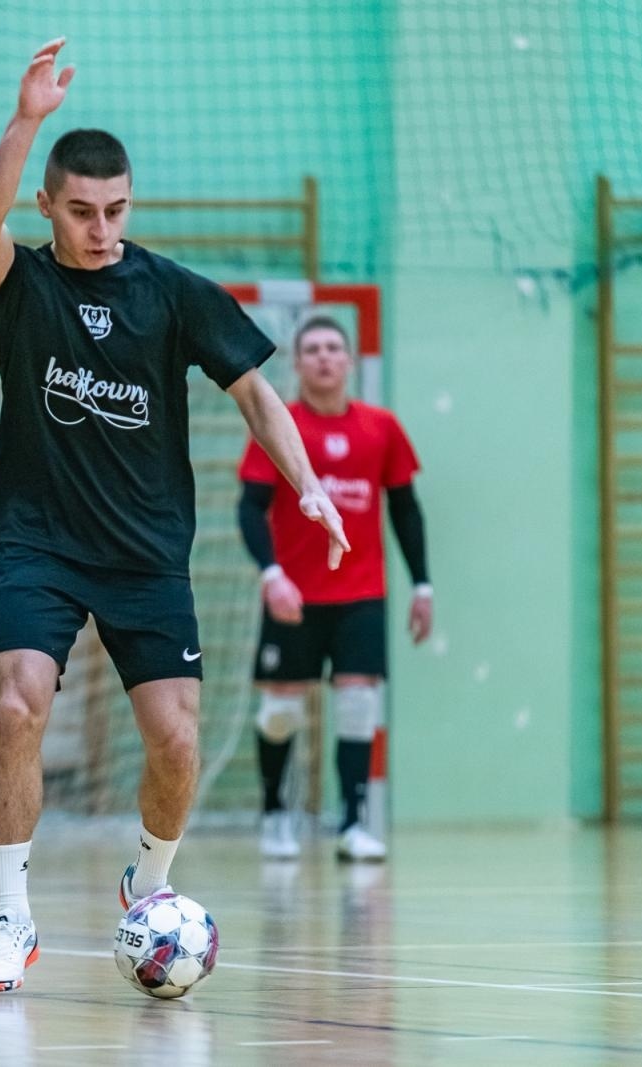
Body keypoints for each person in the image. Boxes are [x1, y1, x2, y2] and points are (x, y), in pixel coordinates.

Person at [0, 38, 348, 993]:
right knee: (19, 703)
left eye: (116, 210)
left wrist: (305, 483)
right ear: (47, 206)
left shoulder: (169, 292)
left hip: (145, 554)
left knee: (176, 739)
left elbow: (256, 394)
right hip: (41, 541)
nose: (101, 229)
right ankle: (11, 912)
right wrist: (26, 122)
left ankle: (152, 884)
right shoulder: (25, 289)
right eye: (82, 211)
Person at [237, 315, 432, 863]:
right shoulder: (281, 427)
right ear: (297, 364)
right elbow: (250, 508)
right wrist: (271, 575)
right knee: (280, 714)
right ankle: (275, 814)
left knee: (357, 705)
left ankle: (353, 822)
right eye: (313, 349)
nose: (324, 357)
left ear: (349, 361)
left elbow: (406, 510)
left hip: (361, 594)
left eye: (333, 348)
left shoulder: (382, 427)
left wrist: (423, 586)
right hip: (294, 596)